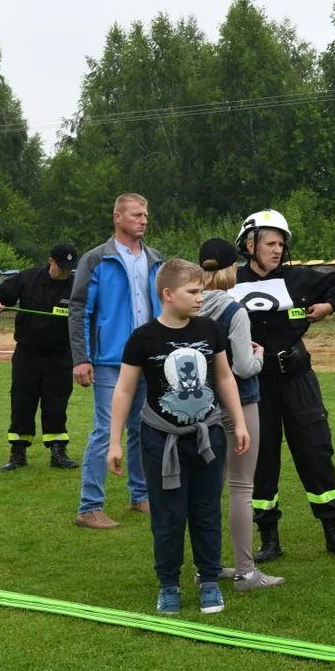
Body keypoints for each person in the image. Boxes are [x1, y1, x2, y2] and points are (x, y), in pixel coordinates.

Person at [107, 259, 250, 614]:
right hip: (161, 440)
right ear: (168, 295)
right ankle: (168, 585)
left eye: (201, 290)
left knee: (206, 511)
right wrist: (114, 442)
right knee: (168, 517)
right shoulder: (143, 338)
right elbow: (124, 390)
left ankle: (210, 581)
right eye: (194, 291)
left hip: (207, 437)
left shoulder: (210, 330)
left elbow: (224, 378)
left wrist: (239, 423)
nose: (201, 298)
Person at [233, 209, 335, 560]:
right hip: (255, 385)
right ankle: (269, 537)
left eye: (281, 243)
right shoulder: (229, 280)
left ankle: (334, 530)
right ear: (249, 243)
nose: (277, 250)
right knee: (261, 459)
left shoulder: (299, 278)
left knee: (316, 451)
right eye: (270, 243)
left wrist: (328, 306)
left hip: (298, 379)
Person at [69, 193, 163, 529]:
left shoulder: (155, 259)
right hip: (109, 360)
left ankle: (140, 496)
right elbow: (79, 309)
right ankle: (89, 506)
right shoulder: (95, 259)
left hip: (148, 360)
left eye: (145, 215)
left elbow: (163, 309)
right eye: (137, 215)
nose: (143, 220)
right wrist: (82, 358)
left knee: (143, 427)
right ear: (117, 217)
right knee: (106, 429)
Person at [196, 238, 285, 593]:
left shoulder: (190, 305)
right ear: (233, 269)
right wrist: (261, 356)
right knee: (241, 488)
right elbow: (245, 368)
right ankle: (247, 572)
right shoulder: (234, 310)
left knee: (207, 490)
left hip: (200, 406)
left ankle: (208, 567)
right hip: (239, 403)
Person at [0, 243, 80, 472]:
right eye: (63, 267)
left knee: (56, 402)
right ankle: (18, 452)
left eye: (70, 268)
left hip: (60, 355)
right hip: (28, 354)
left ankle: (58, 451)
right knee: (22, 401)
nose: (67, 272)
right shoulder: (28, 278)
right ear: (51, 261)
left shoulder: (77, 286)